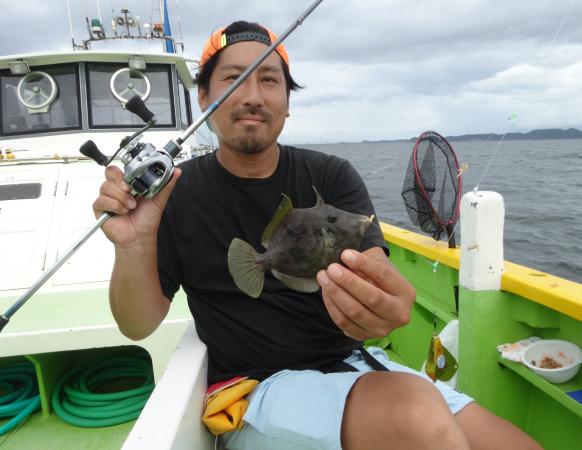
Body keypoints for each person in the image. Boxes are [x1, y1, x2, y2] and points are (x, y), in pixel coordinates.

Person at [93, 20, 541, 450]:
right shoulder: (174, 191)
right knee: (417, 417)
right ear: (204, 97)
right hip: (255, 390)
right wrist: (133, 244)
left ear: (287, 101)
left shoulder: (331, 174)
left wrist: (381, 305)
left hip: (357, 365)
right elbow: (137, 325)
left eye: (269, 80)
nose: (253, 96)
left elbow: (374, 267)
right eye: (233, 78)